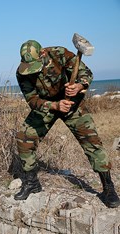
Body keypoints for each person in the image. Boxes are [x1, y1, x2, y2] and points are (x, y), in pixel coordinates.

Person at [14, 40, 120, 208]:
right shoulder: (23, 72)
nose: (31, 70)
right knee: (24, 137)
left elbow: (86, 73)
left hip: (72, 105)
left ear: (42, 54)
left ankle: (108, 188)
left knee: (92, 142)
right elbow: (32, 100)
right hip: (47, 106)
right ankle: (31, 183)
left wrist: (79, 86)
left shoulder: (59, 54)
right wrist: (54, 105)